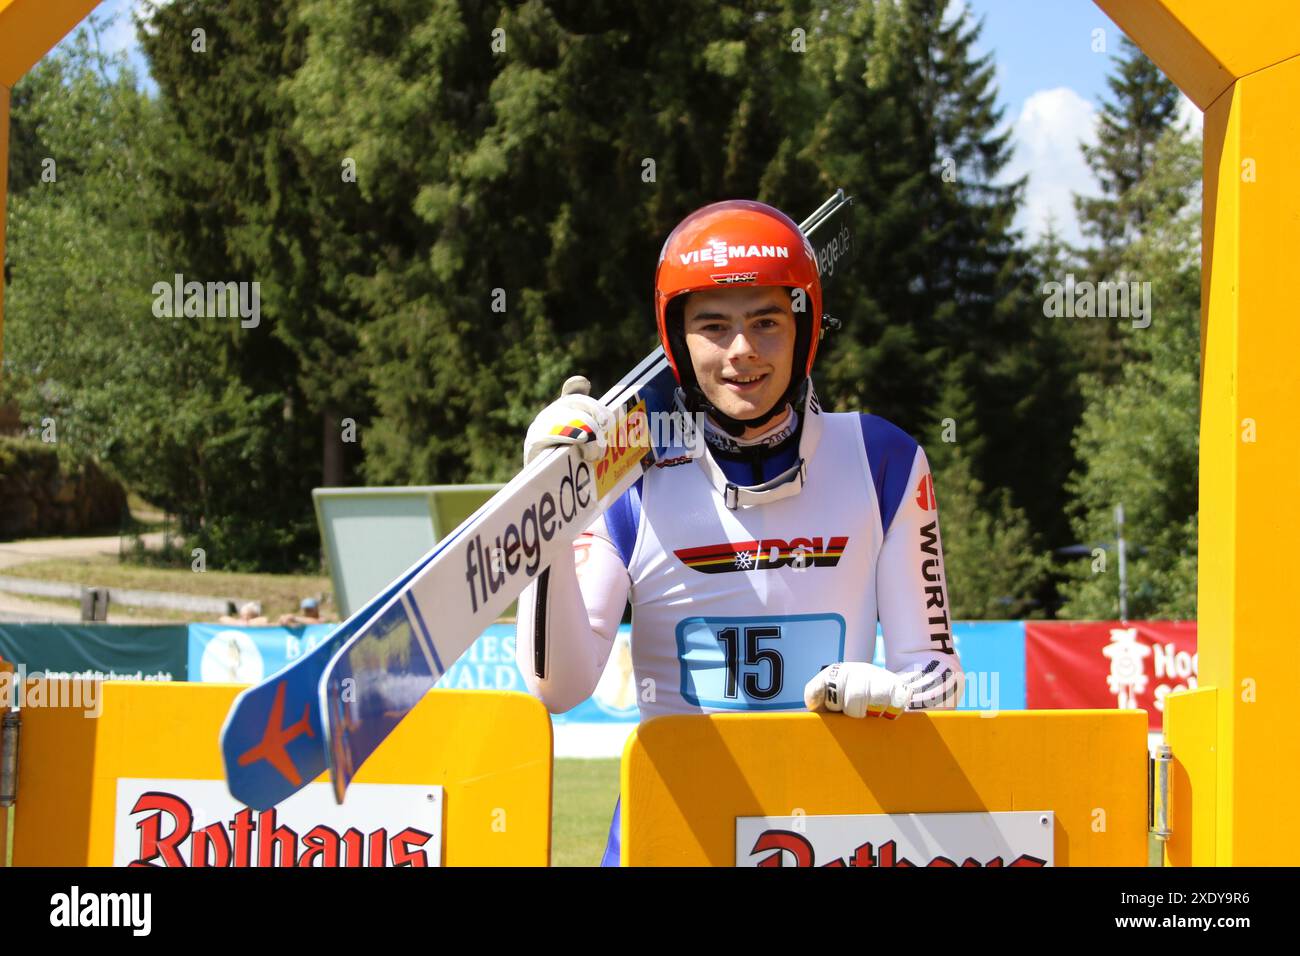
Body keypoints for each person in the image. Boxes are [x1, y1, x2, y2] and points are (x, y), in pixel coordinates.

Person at [515, 199, 964, 866]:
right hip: (667, 839)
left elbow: (937, 670)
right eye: (714, 326)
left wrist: (892, 693)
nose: (742, 351)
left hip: (832, 834)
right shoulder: (629, 474)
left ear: (805, 328)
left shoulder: (883, 460)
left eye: (766, 322)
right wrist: (545, 504)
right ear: (677, 340)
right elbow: (560, 685)